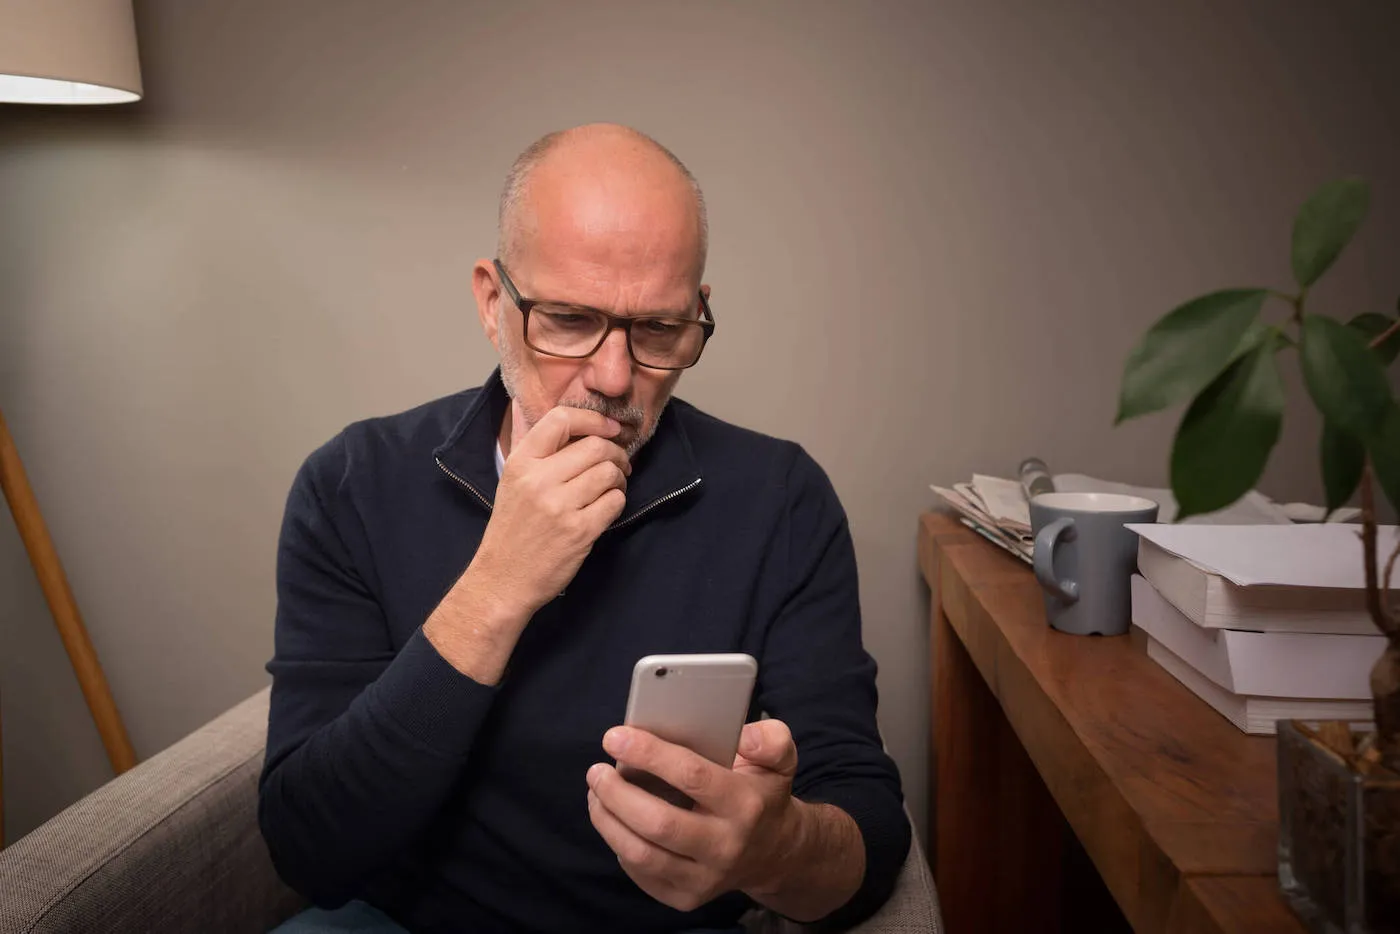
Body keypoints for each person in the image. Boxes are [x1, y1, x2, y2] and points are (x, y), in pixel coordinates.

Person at [259, 123, 910, 934]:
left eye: (660, 331)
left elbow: (869, 827)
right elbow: (307, 849)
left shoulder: (781, 498)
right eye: (568, 320)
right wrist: (499, 584)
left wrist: (775, 850)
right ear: (493, 302)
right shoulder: (352, 483)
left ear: (698, 312)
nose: (613, 379)